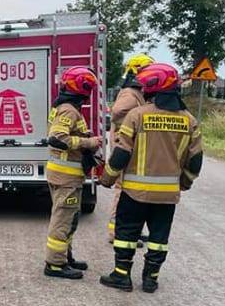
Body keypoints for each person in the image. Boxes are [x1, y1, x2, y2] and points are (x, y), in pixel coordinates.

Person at [99, 63, 203, 293]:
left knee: (126, 235)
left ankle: (121, 276)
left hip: (134, 193)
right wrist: (183, 182)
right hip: (167, 196)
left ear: (153, 88)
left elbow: (121, 154)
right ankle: (151, 279)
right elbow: (195, 160)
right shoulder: (189, 120)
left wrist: (107, 179)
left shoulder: (138, 116)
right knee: (158, 238)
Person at [44, 66, 102, 279]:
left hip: (66, 175)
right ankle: (55, 264)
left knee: (69, 218)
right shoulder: (69, 109)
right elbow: (57, 138)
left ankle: (64, 257)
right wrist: (89, 142)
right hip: (65, 176)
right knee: (63, 218)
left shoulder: (66, 106)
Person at [107, 53, 154, 242]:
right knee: (122, 190)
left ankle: (127, 230)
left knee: (130, 191)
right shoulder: (130, 93)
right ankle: (115, 231)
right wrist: (136, 119)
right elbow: (117, 112)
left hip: (128, 146)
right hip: (124, 147)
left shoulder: (136, 92)